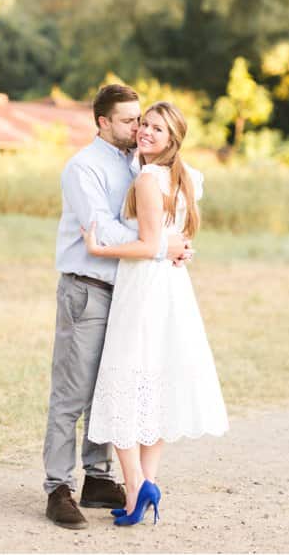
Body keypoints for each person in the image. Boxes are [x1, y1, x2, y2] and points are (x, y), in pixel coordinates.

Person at [42, 84, 192, 530]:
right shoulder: (83, 167)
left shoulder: (139, 162)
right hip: (88, 289)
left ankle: (97, 477)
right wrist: (161, 245)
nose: (138, 127)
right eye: (129, 120)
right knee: (72, 394)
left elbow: (157, 216)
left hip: (131, 293)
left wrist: (173, 243)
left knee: (114, 385)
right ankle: (57, 488)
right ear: (102, 122)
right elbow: (102, 230)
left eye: (141, 120)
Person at [82, 101, 228, 526]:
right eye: (143, 124)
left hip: (144, 286)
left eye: (156, 129)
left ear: (172, 139)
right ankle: (145, 486)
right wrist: (177, 248)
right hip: (171, 287)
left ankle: (135, 490)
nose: (145, 132)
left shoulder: (148, 178)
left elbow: (149, 245)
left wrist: (99, 248)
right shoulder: (184, 178)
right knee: (155, 380)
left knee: (126, 380)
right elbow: (173, 238)